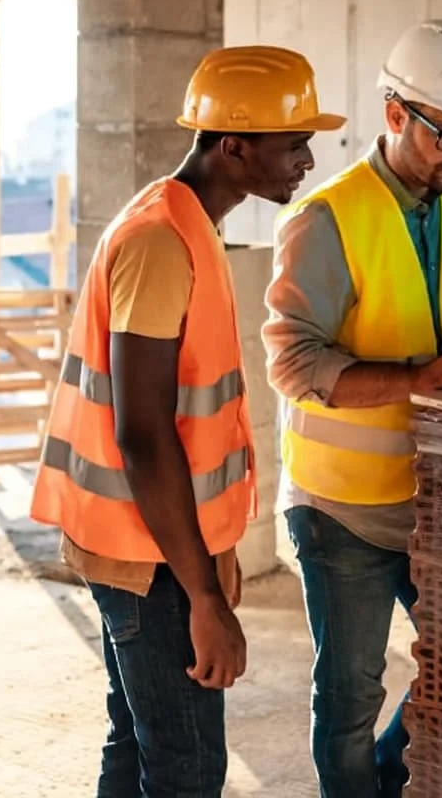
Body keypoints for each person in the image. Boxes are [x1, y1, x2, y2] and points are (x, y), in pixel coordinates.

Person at [29, 45, 345, 798]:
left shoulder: (188, 222)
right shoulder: (160, 242)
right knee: (187, 767)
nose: (305, 159)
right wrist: (203, 597)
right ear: (234, 144)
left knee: (141, 746)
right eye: (292, 142)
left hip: (152, 540)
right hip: (147, 557)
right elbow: (142, 435)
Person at [262, 17, 442, 798]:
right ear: (394, 116)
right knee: (349, 697)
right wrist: (418, 377)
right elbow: (292, 360)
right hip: (344, 508)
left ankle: (383, 783)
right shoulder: (324, 221)